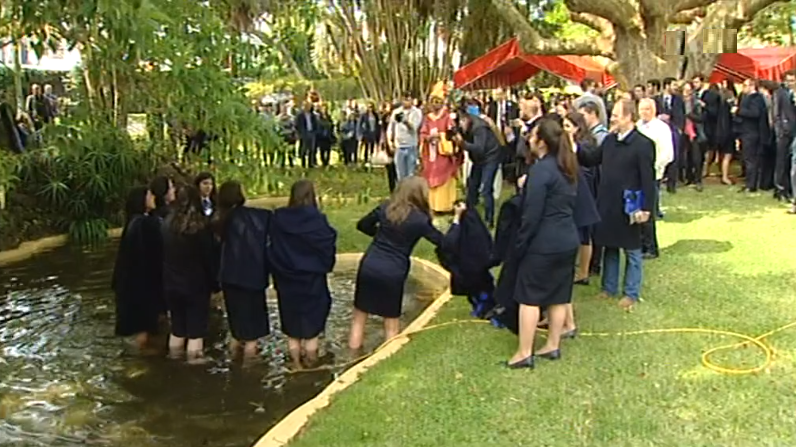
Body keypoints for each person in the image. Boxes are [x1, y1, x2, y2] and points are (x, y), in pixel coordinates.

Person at [505, 118, 580, 369]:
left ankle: (525, 352)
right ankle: (552, 345)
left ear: (543, 142)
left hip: (544, 243)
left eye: (533, 135)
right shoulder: (567, 167)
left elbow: (531, 212)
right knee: (559, 295)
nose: (529, 139)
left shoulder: (540, 171)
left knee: (530, 297)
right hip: (568, 239)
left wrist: (521, 243)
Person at [578, 99, 656, 311]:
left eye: (616, 114)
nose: (612, 117)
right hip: (607, 202)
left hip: (630, 206)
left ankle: (631, 292)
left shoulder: (643, 144)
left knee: (632, 250)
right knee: (609, 246)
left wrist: (647, 208)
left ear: (629, 117)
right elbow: (592, 159)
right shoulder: (610, 141)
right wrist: (573, 146)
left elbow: (648, 180)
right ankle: (608, 288)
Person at [348, 177, 443, 350]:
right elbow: (441, 241)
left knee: (359, 318)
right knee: (391, 322)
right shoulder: (420, 220)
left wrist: (379, 236)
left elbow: (362, 225)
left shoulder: (385, 208)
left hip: (370, 265)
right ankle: (385, 357)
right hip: (394, 270)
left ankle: (353, 357)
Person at [270, 180, 337, 367]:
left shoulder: (278, 218)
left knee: (292, 329)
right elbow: (327, 244)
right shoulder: (317, 220)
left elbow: (271, 246)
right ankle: (310, 365)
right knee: (311, 330)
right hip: (311, 280)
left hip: (286, 279)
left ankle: (294, 363)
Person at [215, 181, 271, 359]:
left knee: (237, 331)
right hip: (252, 279)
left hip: (230, 278)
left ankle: (234, 365)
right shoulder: (257, 216)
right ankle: (250, 371)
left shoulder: (220, 220)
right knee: (252, 336)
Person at [162, 186, 217, 362]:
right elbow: (209, 259)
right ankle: (194, 369)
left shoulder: (166, 223)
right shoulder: (200, 227)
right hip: (195, 285)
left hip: (171, 283)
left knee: (177, 329)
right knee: (195, 332)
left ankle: (174, 361)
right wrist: (215, 284)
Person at [111, 186, 162, 350]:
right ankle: (141, 358)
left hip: (131, 284)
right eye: (149, 195)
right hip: (141, 285)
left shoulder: (133, 222)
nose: (153, 197)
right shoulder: (144, 224)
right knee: (143, 327)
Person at [436, 202, 496, 320]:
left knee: (476, 288)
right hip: (480, 272)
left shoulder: (459, 236)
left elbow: (448, 245)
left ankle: (483, 306)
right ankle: (484, 305)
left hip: (466, 273)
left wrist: (456, 219)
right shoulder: (480, 232)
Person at [636, 98, 674, 259]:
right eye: (641, 109)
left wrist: (654, 168)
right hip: (636, 175)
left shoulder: (661, 128)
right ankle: (640, 244)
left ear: (653, 110)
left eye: (647, 109)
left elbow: (667, 153)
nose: (644, 112)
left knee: (649, 211)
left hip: (652, 175)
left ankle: (651, 247)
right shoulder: (637, 125)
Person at [453, 108, 503, 227]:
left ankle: (489, 219)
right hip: (478, 159)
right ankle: (468, 215)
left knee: (486, 188)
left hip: (490, 156)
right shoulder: (465, 126)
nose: (460, 126)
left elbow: (479, 148)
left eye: (460, 123)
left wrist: (463, 144)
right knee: (472, 184)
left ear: (465, 120)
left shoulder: (479, 127)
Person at [420, 82, 461, 214]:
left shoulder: (448, 117)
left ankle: (446, 205)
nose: (435, 104)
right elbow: (422, 133)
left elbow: (452, 134)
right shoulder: (427, 118)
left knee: (445, 176)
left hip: (444, 153)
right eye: (433, 102)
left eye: (438, 101)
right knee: (431, 176)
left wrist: (441, 137)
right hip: (432, 154)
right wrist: (428, 138)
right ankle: (433, 205)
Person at [733, 78, 770, 193]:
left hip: (752, 133)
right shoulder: (746, 98)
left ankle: (751, 184)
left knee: (751, 159)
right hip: (745, 132)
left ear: (752, 86)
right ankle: (749, 182)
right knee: (747, 159)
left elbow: (755, 113)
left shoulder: (756, 98)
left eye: (745, 85)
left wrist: (738, 111)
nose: (743, 88)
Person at [387, 92, 423, 180]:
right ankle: (402, 193)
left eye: (408, 99)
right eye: (404, 99)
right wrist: (390, 142)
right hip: (399, 147)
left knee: (410, 175)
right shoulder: (396, 112)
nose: (406, 101)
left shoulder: (417, 112)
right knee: (400, 175)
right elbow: (391, 128)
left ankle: (410, 193)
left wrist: (405, 121)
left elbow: (414, 129)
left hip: (411, 146)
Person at [773, 70, 796, 203]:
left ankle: (791, 188)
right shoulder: (780, 93)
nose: (790, 83)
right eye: (788, 80)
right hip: (784, 131)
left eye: (793, 81)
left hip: (794, 131)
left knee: (792, 163)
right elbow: (775, 113)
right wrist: (779, 130)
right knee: (781, 161)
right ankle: (780, 189)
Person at [295, 100, 319, 168]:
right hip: (304, 134)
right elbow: (297, 125)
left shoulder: (312, 115)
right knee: (304, 150)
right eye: (306, 106)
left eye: (309, 106)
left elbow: (316, 124)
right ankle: (303, 164)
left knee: (312, 149)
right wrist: (300, 133)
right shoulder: (300, 115)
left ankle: (310, 163)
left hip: (311, 133)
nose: (308, 107)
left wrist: (315, 132)